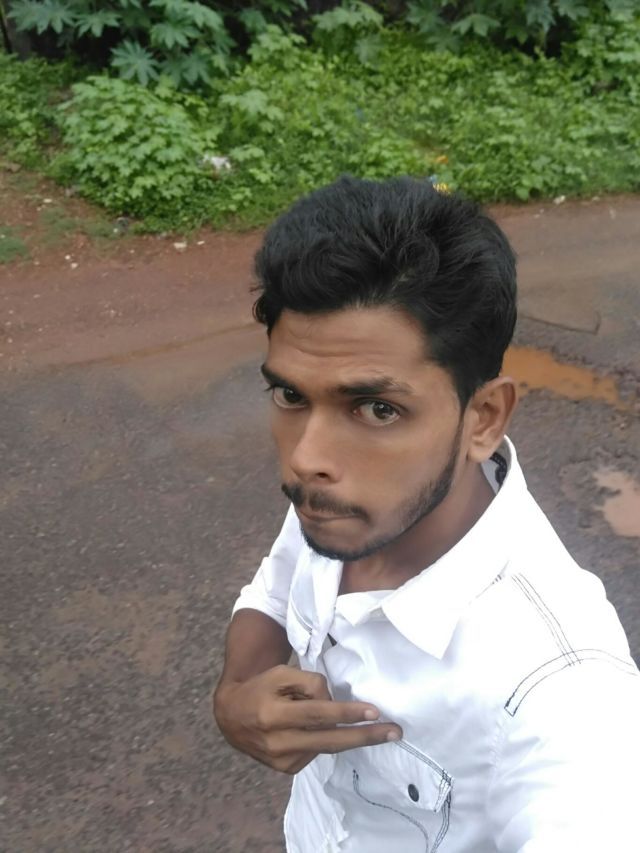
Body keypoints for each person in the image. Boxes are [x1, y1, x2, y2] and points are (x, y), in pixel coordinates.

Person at [213, 176, 640, 852]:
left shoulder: (562, 693)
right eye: (291, 396)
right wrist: (236, 691)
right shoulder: (347, 499)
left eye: (378, 409)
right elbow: (277, 581)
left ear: (484, 418)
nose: (305, 458)